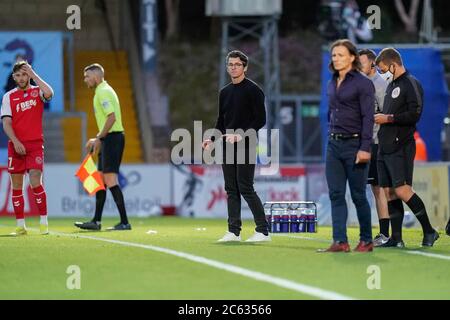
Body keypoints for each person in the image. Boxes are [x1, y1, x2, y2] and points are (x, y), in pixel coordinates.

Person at [202, 50, 270, 242]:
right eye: (230, 64)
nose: (233, 67)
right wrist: (212, 139)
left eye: (237, 64)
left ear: (245, 67)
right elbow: (221, 121)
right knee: (231, 188)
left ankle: (263, 231)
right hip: (227, 145)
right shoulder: (224, 92)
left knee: (246, 187)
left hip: (247, 143)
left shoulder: (254, 90)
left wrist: (240, 135)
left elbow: (261, 120)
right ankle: (234, 231)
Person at [375, 48, 439, 247]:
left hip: (400, 144)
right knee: (389, 192)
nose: (383, 73)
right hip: (384, 145)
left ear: (393, 64)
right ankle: (396, 238)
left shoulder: (410, 83)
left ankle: (429, 231)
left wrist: (389, 118)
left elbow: (415, 114)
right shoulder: (391, 85)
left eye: (384, 69)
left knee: (402, 190)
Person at [319, 39, 375, 253]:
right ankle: (340, 241)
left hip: (355, 144)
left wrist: (365, 147)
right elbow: (330, 113)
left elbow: (368, 117)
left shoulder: (363, 83)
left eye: (341, 55)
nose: (336, 59)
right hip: (333, 144)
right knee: (335, 194)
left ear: (352, 57)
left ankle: (366, 240)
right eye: (334, 55)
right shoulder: (331, 82)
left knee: (359, 195)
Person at [74, 63, 131, 231]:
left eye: (87, 76)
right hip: (109, 138)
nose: (85, 80)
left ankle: (125, 222)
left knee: (110, 179)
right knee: (99, 180)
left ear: (96, 77)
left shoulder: (103, 92)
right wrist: (98, 138)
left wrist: (99, 138)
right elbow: (110, 120)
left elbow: (112, 118)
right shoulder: (103, 91)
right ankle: (96, 221)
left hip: (112, 139)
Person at [0, 61, 53, 236]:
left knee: (36, 180)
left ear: (28, 75)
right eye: (18, 75)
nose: (21, 78)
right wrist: (15, 141)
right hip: (16, 145)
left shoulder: (37, 92)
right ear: (13, 77)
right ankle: (20, 226)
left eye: (24, 74)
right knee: (16, 185)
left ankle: (44, 222)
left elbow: (49, 93)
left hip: (35, 144)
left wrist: (34, 75)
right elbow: (6, 123)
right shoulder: (9, 96)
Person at [358, 49, 390, 246]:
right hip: (368, 142)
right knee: (376, 189)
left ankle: (386, 233)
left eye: (362, 62)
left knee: (382, 190)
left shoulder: (380, 85)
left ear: (372, 64)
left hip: (378, 143)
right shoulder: (364, 84)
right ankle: (385, 233)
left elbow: (386, 115)